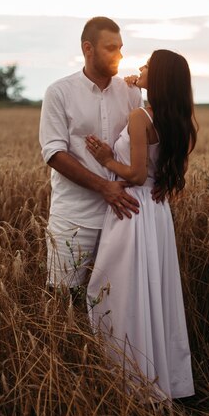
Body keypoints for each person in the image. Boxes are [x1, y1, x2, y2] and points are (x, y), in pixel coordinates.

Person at [86, 49, 198, 400]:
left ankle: (129, 384)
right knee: (154, 292)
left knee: (120, 293)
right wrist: (133, 85)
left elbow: (135, 173)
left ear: (160, 77)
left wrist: (105, 159)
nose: (140, 67)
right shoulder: (177, 118)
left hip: (132, 210)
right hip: (157, 210)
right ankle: (164, 380)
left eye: (148, 65)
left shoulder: (139, 117)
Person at [39, 16, 143, 292]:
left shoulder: (131, 93)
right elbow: (53, 153)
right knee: (62, 299)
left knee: (117, 305)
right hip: (73, 217)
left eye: (120, 48)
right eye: (111, 48)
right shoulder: (59, 92)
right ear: (88, 48)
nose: (119, 55)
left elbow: (143, 148)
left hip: (122, 215)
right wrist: (103, 187)